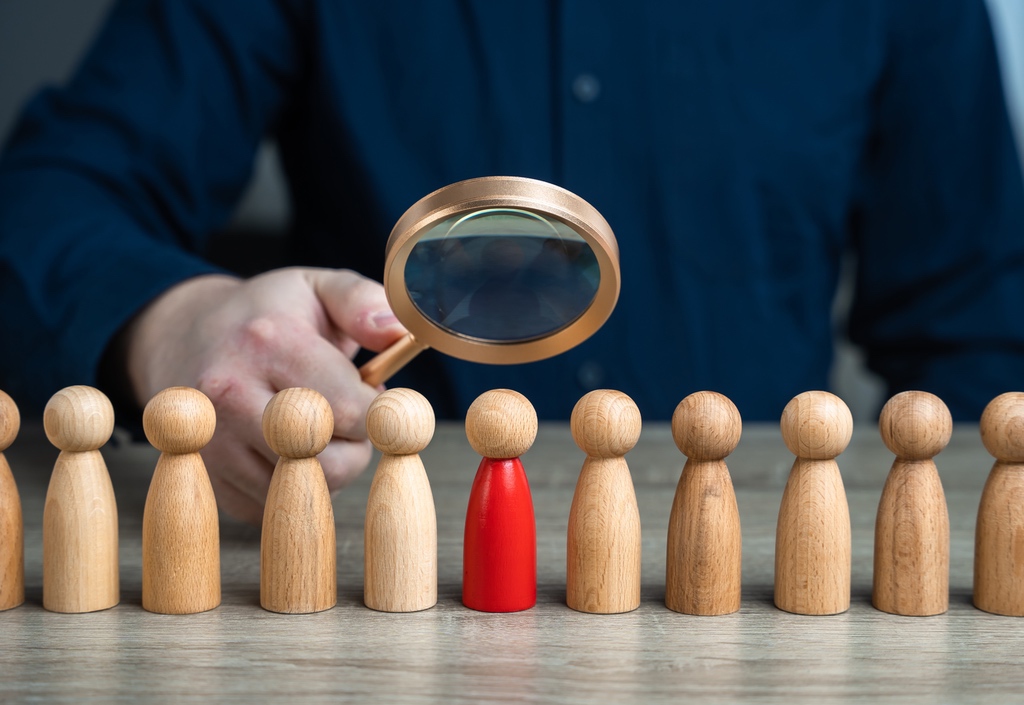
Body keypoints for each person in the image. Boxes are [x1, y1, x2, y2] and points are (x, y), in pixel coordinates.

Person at [1, 0, 1023, 524]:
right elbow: (48, 194)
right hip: (375, 572)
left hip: (750, 584)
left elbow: (980, 326)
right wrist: (173, 323)